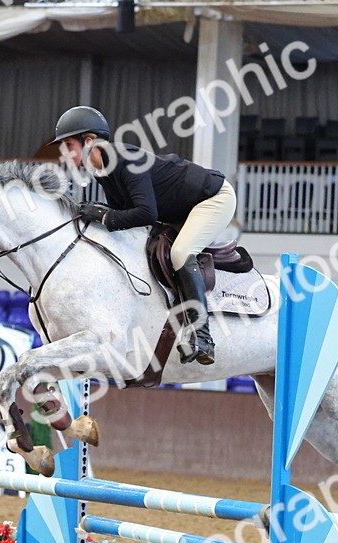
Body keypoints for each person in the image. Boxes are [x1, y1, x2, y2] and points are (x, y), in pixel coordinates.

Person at [52, 106, 236, 366]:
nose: (64, 152)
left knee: (180, 252)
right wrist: (100, 213)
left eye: (68, 144)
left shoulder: (125, 159)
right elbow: (124, 212)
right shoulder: (102, 169)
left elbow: (146, 214)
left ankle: (202, 335)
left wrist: (104, 216)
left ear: (89, 141)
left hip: (213, 199)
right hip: (179, 209)